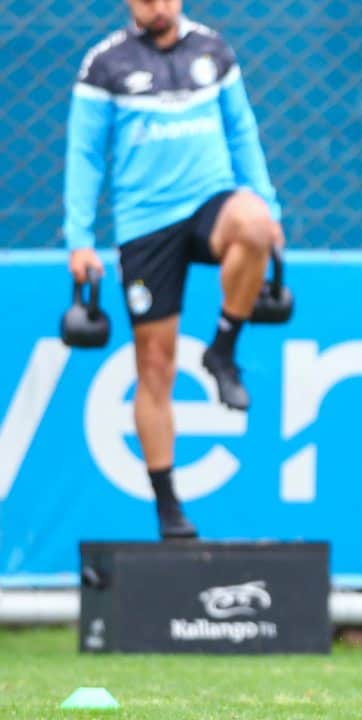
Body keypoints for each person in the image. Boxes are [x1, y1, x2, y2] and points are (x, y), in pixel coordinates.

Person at [63, 0, 283, 539]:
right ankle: (168, 509)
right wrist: (79, 239)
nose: (157, 5)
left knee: (254, 226)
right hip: (143, 227)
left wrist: (270, 208)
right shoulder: (104, 64)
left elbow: (242, 133)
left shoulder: (213, 49)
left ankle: (222, 350)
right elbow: (86, 154)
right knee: (155, 368)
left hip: (210, 204)